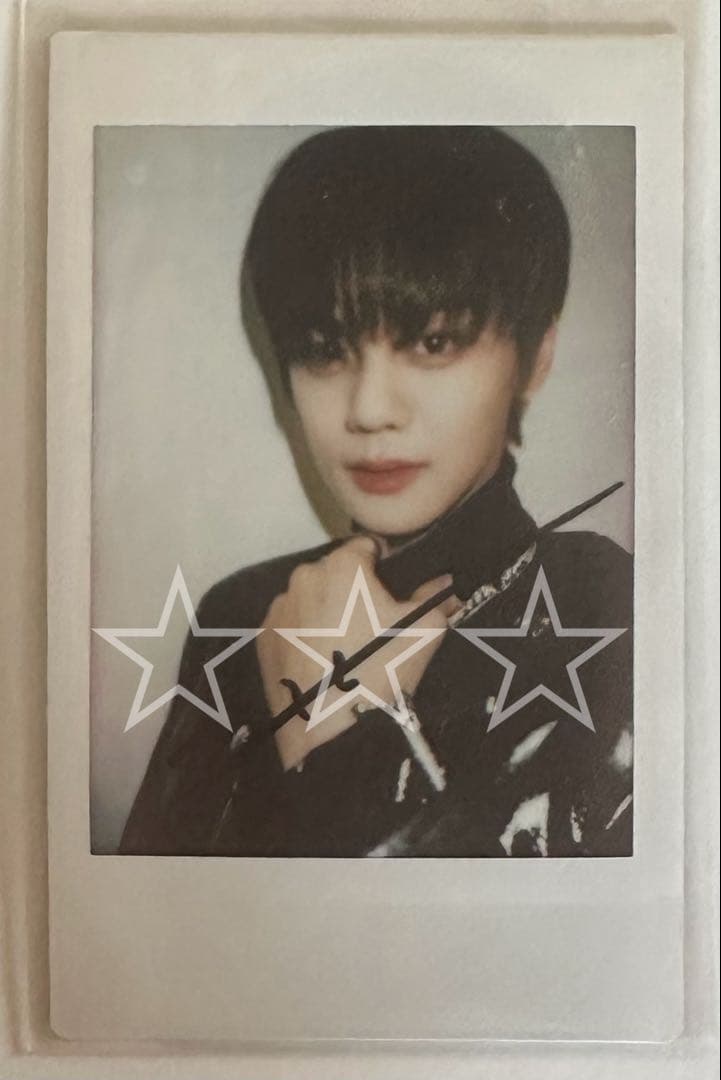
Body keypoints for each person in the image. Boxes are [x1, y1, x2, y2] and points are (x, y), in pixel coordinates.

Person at [119, 126, 633, 857]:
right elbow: (150, 917)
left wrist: (334, 748)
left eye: (432, 342)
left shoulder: (607, 611)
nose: (368, 409)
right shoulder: (244, 615)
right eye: (325, 350)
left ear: (534, 359)